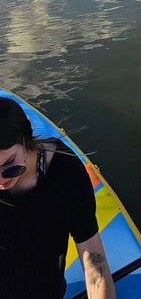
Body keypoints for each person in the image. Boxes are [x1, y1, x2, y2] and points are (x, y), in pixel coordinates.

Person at [0, 96, 116, 298]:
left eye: (9, 164)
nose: (0, 182)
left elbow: (94, 263)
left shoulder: (66, 174)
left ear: (25, 136)